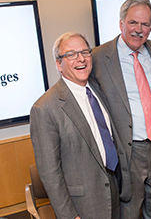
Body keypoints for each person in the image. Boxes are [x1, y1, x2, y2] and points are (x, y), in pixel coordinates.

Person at [90, 0, 151, 219]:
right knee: (129, 210)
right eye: (133, 23)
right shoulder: (99, 57)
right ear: (121, 23)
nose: (139, 30)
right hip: (128, 150)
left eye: (145, 24)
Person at [30, 32, 124, 219]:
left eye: (85, 52)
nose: (80, 59)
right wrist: (69, 215)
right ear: (59, 64)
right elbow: (50, 173)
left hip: (114, 192)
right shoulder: (45, 108)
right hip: (82, 206)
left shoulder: (99, 90)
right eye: (71, 54)